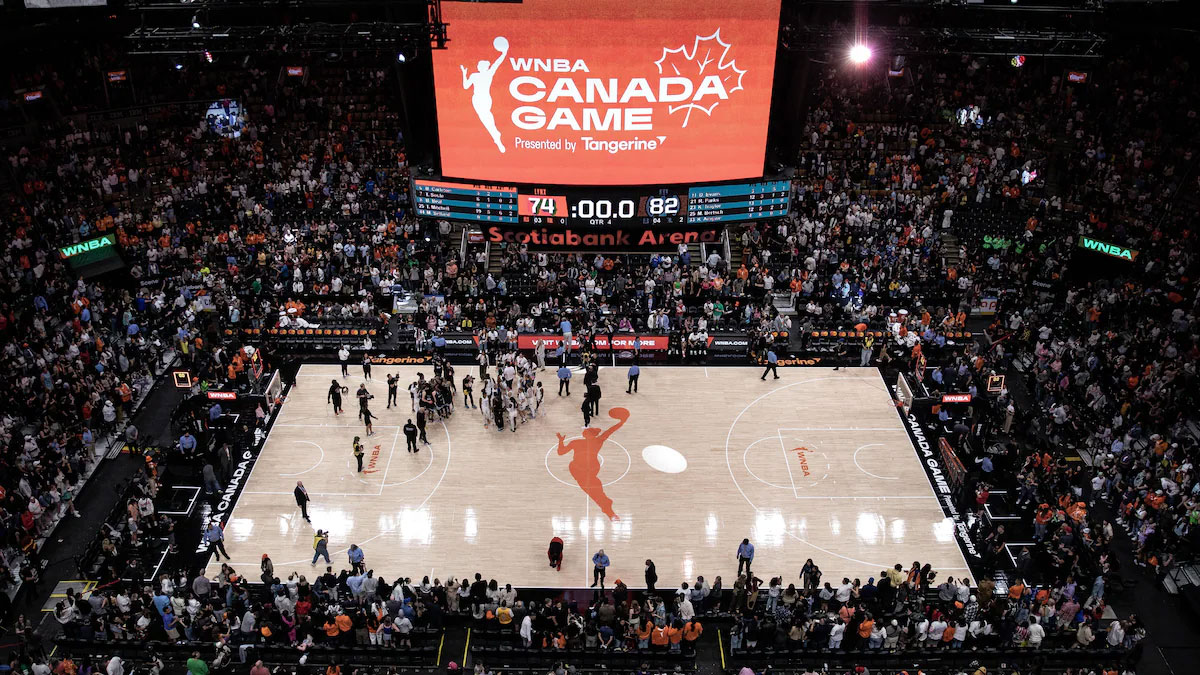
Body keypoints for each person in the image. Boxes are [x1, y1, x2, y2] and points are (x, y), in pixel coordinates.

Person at [558, 407, 628, 520]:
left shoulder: (577, 442)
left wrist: (560, 441)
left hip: (585, 470)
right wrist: (621, 423)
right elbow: (610, 431)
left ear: (586, 434)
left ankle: (609, 510)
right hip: (583, 470)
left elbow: (561, 452)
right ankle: (609, 510)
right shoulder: (596, 441)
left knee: (596, 493)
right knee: (597, 493)